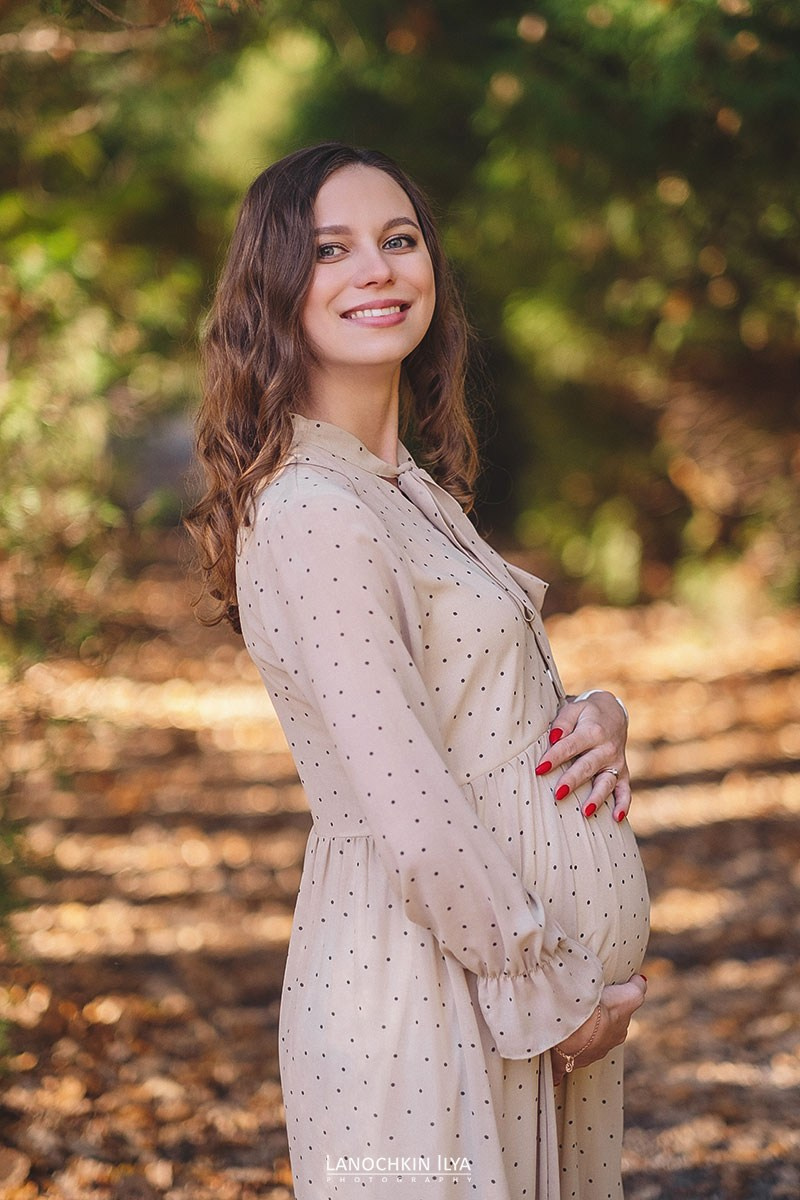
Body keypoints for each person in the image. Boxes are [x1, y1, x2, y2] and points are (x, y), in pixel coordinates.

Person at [186, 142, 649, 1199]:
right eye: (330, 250)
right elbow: (410, 808)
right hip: (425, 998)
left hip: (492, 991)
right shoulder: (314, 510)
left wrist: (590, 714)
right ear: (273, 288)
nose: (378, 270)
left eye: (398, 241)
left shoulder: (403, 491)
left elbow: (466, 716)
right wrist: (553, 997)